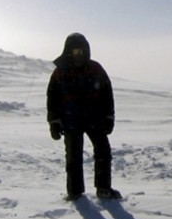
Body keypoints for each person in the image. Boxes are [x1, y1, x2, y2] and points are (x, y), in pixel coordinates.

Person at [46, 32, 121, 201]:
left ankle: (103, 188)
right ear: (68, 52)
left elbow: (107, 94)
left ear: (87, 51)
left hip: (95, 119)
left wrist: (109, 117)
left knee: (103, 152)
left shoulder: (96, 69)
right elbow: (52, 99)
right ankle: (75, 192)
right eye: (74, 51)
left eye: (81, 51)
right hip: (70, 120)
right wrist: (54, 122)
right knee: (73, 157)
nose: (78, 55)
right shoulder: (60, 72)